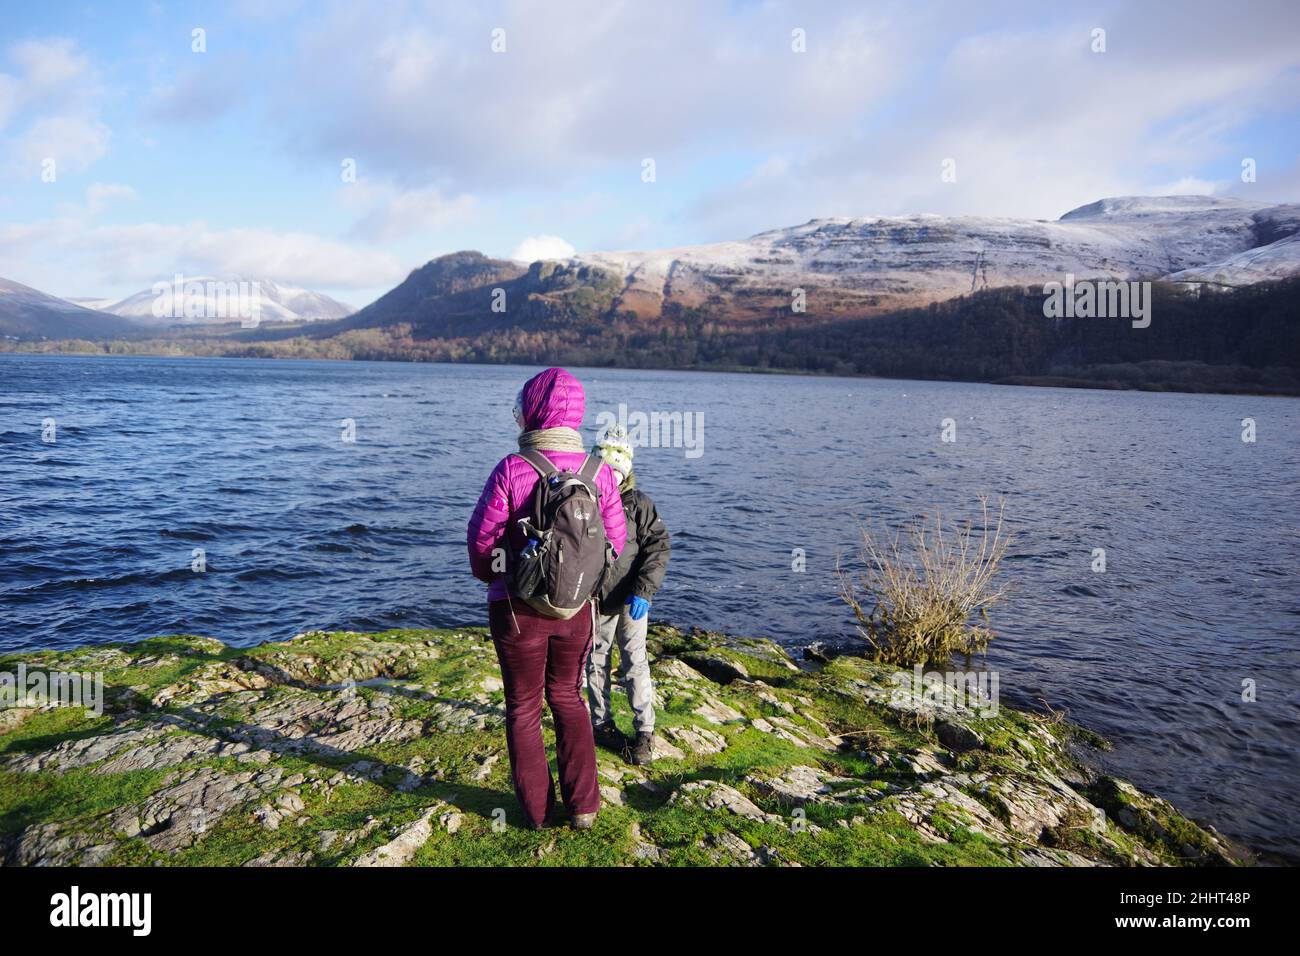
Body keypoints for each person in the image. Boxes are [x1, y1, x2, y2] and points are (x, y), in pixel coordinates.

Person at [466, 368, 627, 830]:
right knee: (569, 699)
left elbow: (483, 542)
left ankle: (536, 813)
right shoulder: (599, 472)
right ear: (575, 413)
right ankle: (585, 807)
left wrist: (493, 579)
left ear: (532, 411)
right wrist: (583, 585)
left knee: (522, 707)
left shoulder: (514, 469)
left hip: (518, 610)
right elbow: (614, 542)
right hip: (578, 609)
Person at [585, 424, 671, 765]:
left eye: (617, 471)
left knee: (635, 662)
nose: (611, 478)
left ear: (626, 472)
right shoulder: (583, 500)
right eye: (604, 470)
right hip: (593, 600)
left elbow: (658, 548)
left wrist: (644, 592)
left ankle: (645, 732)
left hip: (633, 600)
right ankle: (601, 724)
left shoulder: (640, 505)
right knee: (596, 661)